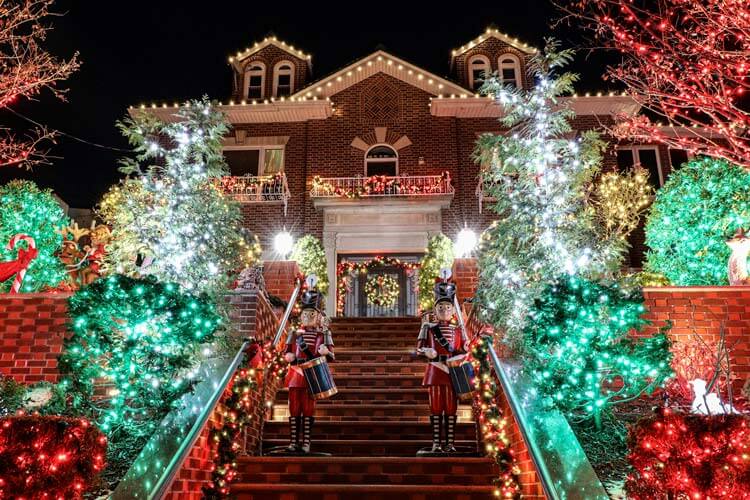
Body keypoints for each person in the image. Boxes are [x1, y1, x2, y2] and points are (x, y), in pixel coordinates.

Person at [283, 289, 334, 453]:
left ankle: (306, 442)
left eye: (311, 313)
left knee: (308, 408)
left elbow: (331, 355)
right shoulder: (294, 333)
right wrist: (288, 356)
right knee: (294, 408)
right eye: (305, 313)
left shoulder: (324, 334)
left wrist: (326, 352)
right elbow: (287, 352)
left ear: (318, 316)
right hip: (295, 373)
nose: (307, 316)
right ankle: (293, 442)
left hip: (312, 375)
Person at [417, 281, 465, 453]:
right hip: (436, 369)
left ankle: (450, 443)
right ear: (435, 310)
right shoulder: (428, 328)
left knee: (451, 408)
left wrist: (464, 352)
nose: (444, 310)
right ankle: (436, 443)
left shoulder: (458, 330)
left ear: (453, 310)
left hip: (452, 371)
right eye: (440, 307)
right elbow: (419, 348)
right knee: (436, 407)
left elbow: (463, 349)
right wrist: (426, 351)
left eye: (448, 307)